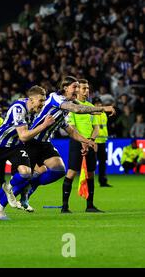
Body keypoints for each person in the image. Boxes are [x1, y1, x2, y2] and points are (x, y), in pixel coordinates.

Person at [21, 76, 115, 213]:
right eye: (77, 87)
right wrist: (104, 108)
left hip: (54, 142)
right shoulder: (62, 101)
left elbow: (86, 123)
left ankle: (89, 205)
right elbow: (75, 114)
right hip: (37, 141)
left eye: (83, 88)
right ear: (66, 88)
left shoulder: (83, 106)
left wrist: (88, 140)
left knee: (71, 172)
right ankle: (0, 201)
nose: (80, 90)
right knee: (29, 175)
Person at [0, 86, 55, 222]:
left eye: (44, 100)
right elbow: (24, 136)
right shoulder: (18, 109)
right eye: (40, 101)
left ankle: (8, 188)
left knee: (26, 173)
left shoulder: (35, 110)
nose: (42, 104)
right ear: (31, 99)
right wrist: (44, 125)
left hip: (14, 146)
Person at [62, 79, 103, 213]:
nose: (86, 91)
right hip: (77, 143)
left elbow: (96, 128)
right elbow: (72, 128)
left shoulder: (90, 106)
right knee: (72, 172)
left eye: (88, 88)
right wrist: (83, 142)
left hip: (89, 143)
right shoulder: (72, 106)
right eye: (84, 88)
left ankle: (90, 205)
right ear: (78, 89)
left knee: (90, 174)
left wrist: (91, 140)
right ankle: (65, 206)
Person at [93, 97, 112, 187]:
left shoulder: (104, 114)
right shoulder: (91, 114)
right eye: (96, 104)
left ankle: (103, 181)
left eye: (100, 104)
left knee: (102, 162)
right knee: (91, 163)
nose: (99, 105)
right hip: (94, 142)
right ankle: (87, 181)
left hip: (102, 141)